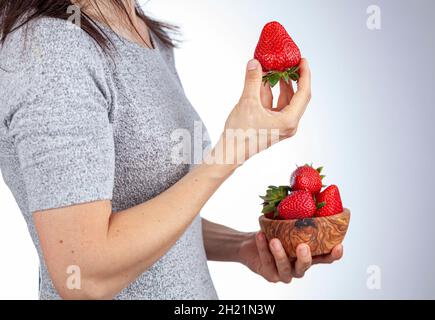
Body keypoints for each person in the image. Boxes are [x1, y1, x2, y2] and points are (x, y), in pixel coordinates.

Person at [0, 0, 343, 299]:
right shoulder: (51, 49)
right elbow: (82, 274)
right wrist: (230, 151)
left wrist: (240, 247)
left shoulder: (143, 32)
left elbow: (148, 213)